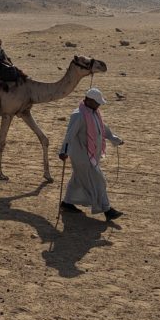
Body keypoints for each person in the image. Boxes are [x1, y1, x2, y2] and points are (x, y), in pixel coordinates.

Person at [58, 87, 125, 221]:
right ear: (88, 100)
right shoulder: (79, 115)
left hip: (91, 155)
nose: (99, 105)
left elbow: (103, 129)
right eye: (97, 102)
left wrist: (115, 139)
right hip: (82, 157)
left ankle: (67, 202)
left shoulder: (94, 113)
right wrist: (64, 151)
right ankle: (107, 209)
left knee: (77, 180)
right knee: (98, 180)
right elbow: (69, 135)